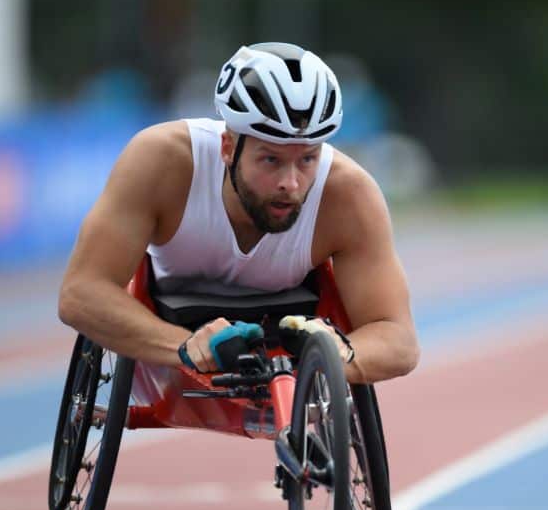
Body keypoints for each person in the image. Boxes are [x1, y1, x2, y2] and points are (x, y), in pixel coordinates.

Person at [57, 42, 419, 385]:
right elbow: (80, 293)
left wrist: (341, 356)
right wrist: (184, 346)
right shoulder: (161, 160)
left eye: (307, 159)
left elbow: (398, 337)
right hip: (169, 336)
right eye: (271, 160)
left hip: (288, 341)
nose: (291, 183)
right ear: (228, 147)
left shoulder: (348, 194)